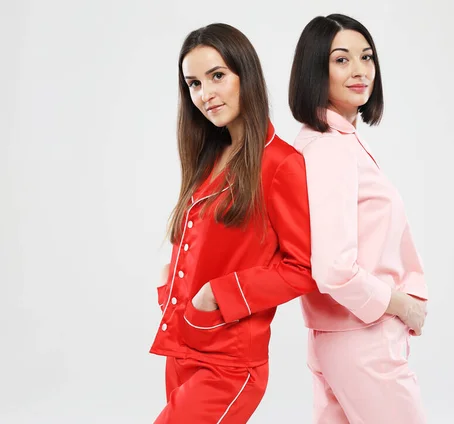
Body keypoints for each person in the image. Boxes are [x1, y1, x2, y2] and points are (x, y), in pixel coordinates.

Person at [150, 23, 316, 423]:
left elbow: (303, 269)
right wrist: (168, 280)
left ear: (247, 75)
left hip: (229, 361)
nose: (205, 94)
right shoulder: (209, 157)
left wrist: (216, 294)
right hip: (184, 344)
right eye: (193, 84)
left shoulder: (281, 164)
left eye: (217, 76)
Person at [289, 14, 429, 424]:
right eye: (341, 59)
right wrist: (402, 305)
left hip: (340, 339)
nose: (359, 70)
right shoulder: (331, 149)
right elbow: (333, 268)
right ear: (315, 68)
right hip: (362, 340)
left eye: (366, 57)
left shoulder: (328, 142)